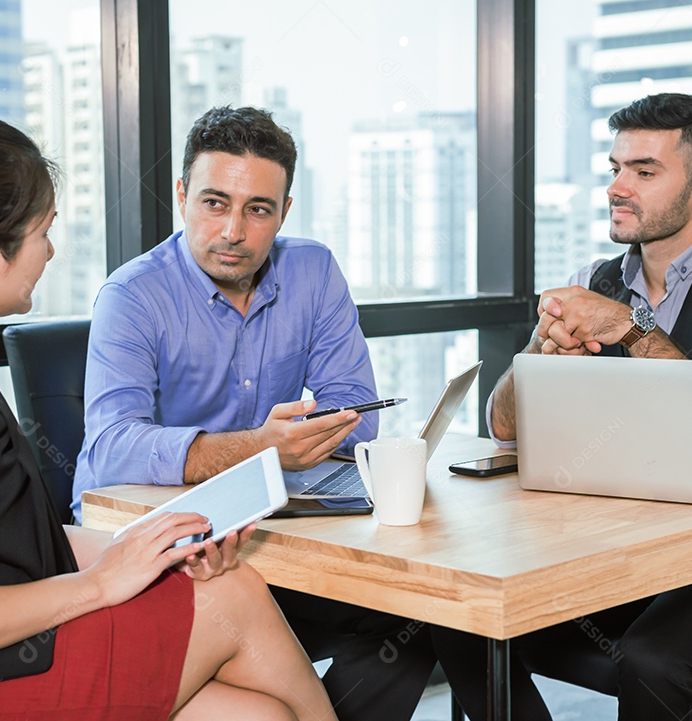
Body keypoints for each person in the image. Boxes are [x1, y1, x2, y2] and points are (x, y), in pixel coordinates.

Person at [0, 114, 339, 721]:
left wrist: (150, 547)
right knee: (236, 592)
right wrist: (97, 585)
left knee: (253, 715)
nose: (52, 250)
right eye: (44, 232)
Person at [433, 93, 692, 720]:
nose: (618, 187)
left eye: (643, 172)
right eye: (615, 168)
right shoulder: (597, 276)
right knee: (459, 615)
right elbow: (503, 428)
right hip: (620, 549)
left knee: (653, 659)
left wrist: (632, 328)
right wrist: (538, 347)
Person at [73, 105, 438, 721]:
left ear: (284, 213)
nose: (234, 230)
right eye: (215, 203)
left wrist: (295, 441)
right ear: (183, 196)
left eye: (258, 210)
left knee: (418, 616)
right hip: (159, 547)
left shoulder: (313, 270)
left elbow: (357, 410)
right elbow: (110, 448)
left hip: (276, 532)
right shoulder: (131, 296)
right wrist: (259, 447)